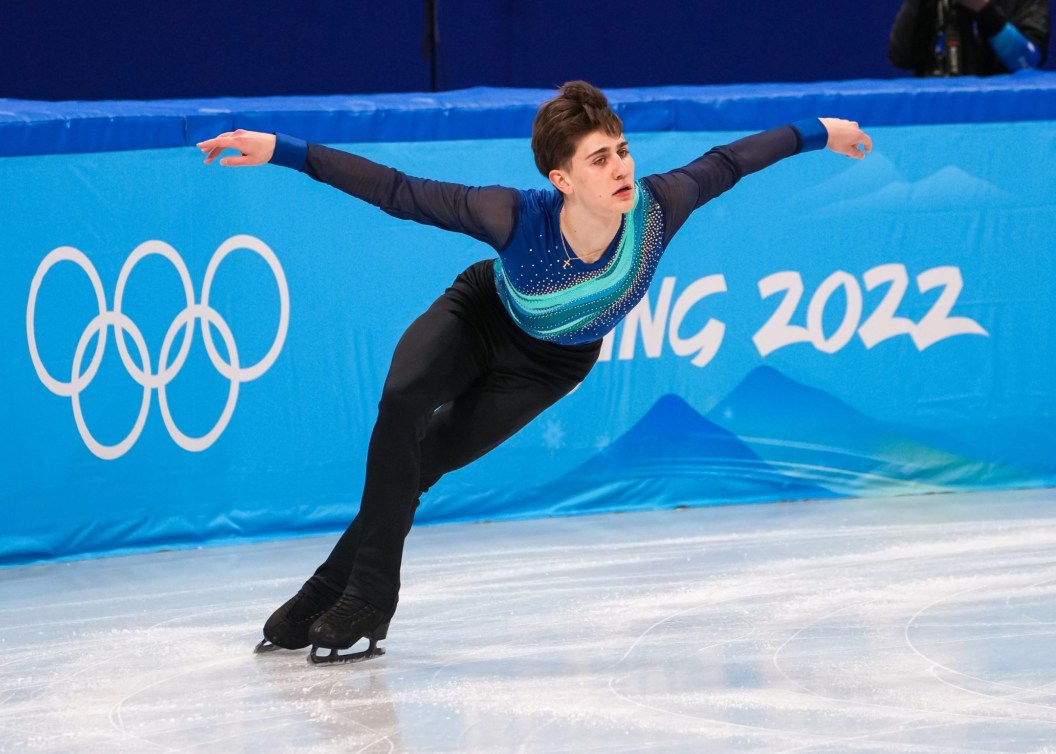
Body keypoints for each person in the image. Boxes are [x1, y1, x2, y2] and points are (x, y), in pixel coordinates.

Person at [197, 81, 872, 665]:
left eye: (622, 150)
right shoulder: (514, 217)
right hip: (479, 317)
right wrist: (283, 151)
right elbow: (398, 191)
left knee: (426, 461)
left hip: (549, 367)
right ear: (563, 179)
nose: (621, 168)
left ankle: (328, 590)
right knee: (403, 400)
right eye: (599, 158)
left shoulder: (661, 208)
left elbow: (734, 160)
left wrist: (823, 131)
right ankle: (370, 594)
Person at [888, 0, 1049, 76]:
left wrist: (982, 8)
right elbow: (901, 58)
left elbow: (1026, 62)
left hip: (1003, 110)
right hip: (938, 111)